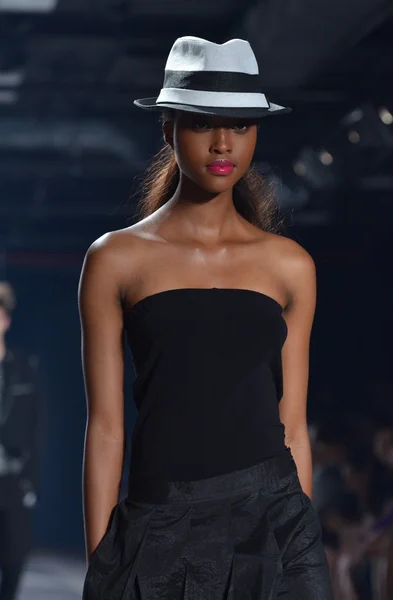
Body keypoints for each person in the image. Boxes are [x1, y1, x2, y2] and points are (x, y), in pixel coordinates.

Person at [79, 36, 334, 599]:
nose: (223, 143)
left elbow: (293, 425)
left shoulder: (289, 265)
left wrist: (301, 539)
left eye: (240, 125)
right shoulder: (115, 259)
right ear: (168, 128)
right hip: (161, 521)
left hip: (275, 518)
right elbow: (105, 427)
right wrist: (102, 564)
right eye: (202, 123)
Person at [0, 282, 41, 600]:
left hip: (12, 479)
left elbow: (39, 426)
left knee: (13, 561)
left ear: (6, 320)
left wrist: (31, 482)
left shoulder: (25, 367)